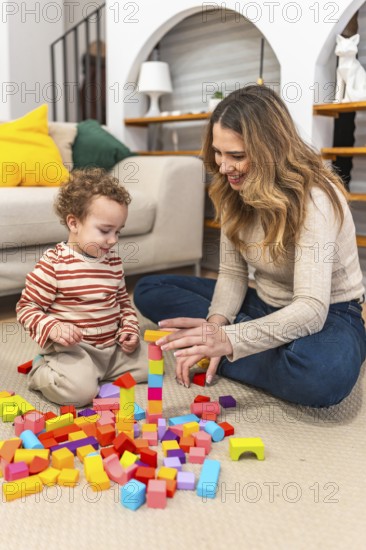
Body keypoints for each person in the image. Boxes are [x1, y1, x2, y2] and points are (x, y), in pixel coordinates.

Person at [134, 84, 366, 408]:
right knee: (150, 288)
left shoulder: (315, 200)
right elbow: (231, 274)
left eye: (237, 156)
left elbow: (312, 309)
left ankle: (241, 345)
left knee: (321, 377)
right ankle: (251, 343)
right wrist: (216, 324)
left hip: (330, 312)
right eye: (218, 151)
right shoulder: (232, 190)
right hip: (265, 302)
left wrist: (230, 339)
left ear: (271, 150)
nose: (223, 166)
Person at [17, 168, 147, 407]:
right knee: (79, 395)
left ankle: (94, 373)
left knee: (152, 362)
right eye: (105, 231)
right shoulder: (54, 264)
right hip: (74, 350)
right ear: (73, 223)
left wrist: (128, 328)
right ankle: (42, 372)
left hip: (111, 348)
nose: (113, 240)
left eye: (118, 232)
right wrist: (53, 327)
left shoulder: (114, 262)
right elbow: (27, 308)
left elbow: (123, 304)